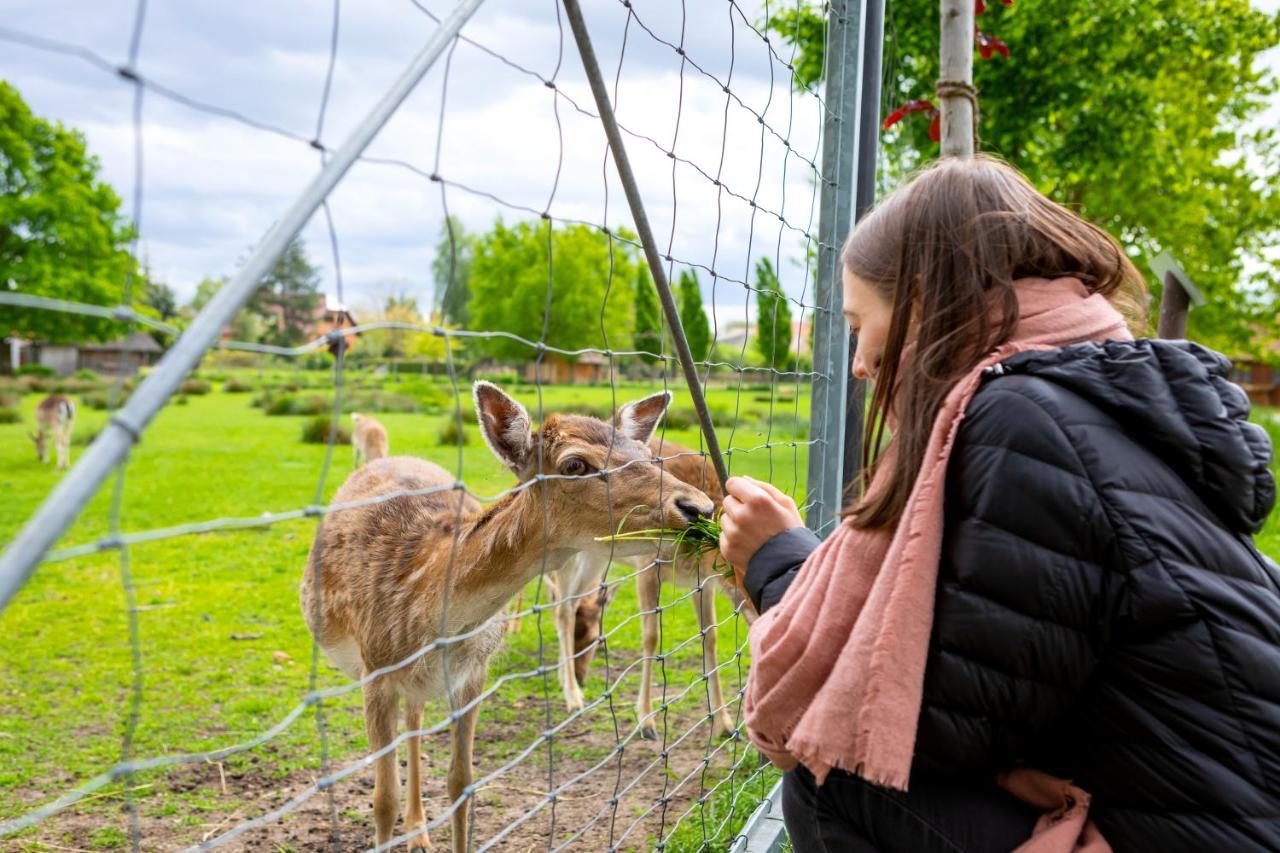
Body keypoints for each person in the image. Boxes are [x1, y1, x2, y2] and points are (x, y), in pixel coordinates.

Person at [718, 155, 1279, 852]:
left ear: (924, 301)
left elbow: (939, 730)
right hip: (1218, 810)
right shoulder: (1081, 400)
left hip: (1201, 833)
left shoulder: (1023, 422)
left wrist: (780, 569)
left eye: (859, 322)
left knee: (833, 774)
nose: (859, 362)